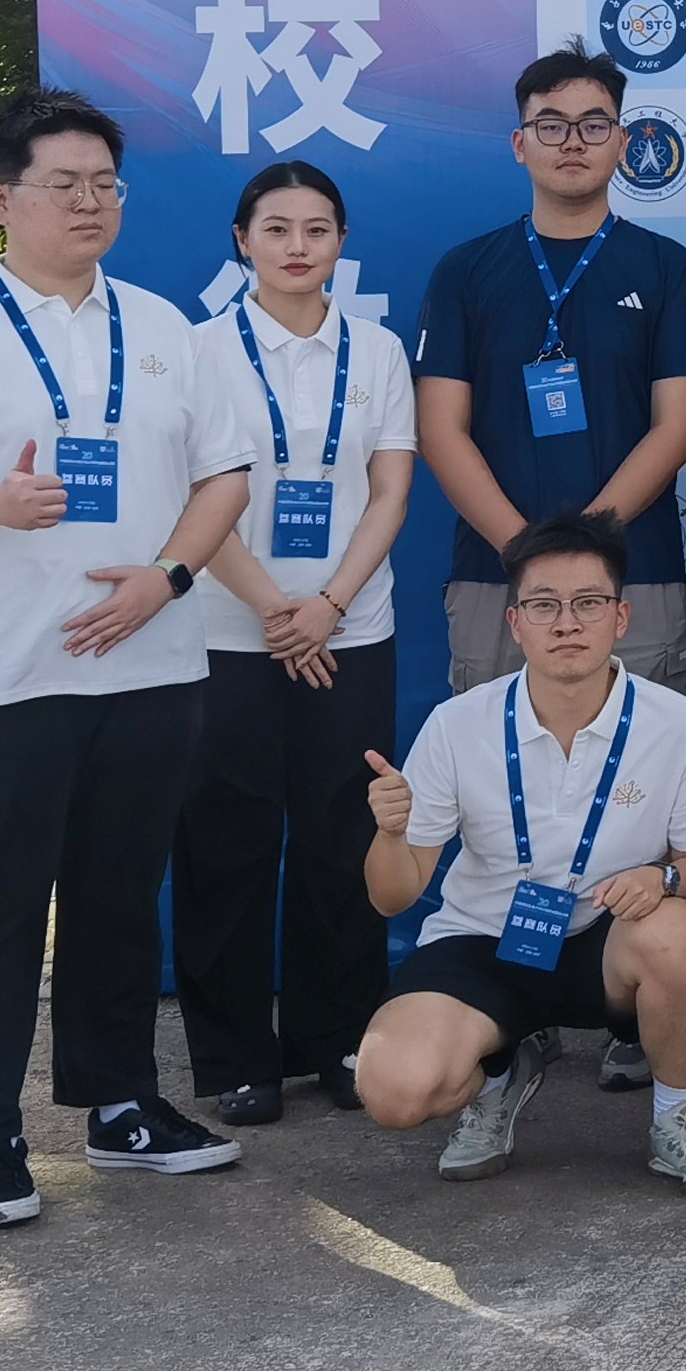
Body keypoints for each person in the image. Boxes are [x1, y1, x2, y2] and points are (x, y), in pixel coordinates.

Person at [0, 88, 259, 1230]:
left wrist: (166, 578)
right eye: (63, 184)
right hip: (2, 677)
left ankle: (121, 1105)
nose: (90, 203)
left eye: (105, 184)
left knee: (119, 899)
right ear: (1, 199)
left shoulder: (166, 326)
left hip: (151, 665)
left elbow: (225, 476)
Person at [352, 512, 686, 1200]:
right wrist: (390, 835)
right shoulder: (458, 723)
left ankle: (678, 1120)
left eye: (588, 603)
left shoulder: (677, 723)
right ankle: (502, 1068)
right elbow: (392, 897)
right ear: (515, 623)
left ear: (621, 617)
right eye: (544, 605)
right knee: (393, 1091)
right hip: (486, 942)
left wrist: (661, 877)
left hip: (605, 946)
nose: (567, 623)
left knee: (677, 929)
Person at [176, 161, 418, 1126]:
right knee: (225, 844)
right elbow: (197, 495)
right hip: (226, 632)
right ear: (242, 240)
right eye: (275, 228)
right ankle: (235, 1057)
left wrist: (328, 603)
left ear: (341, 242)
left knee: (342, 837)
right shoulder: (197, 351)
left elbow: (391, 491)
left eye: (317, 229)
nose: (296, 247)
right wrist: (278, 610)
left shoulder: (379, 352)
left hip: (350, 627)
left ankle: (338, 1039)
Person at [413, 48, 686, 696]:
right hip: (497, 572)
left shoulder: (669, 268)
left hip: (633, 571)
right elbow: (439, 430)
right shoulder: (464, 271)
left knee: (639, 752)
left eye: (594, 125)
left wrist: (585, 550)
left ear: (623, 143)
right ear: (520, 144)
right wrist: (526, 551)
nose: (573, 142)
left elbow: (677, 429)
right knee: (495, 752)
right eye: (551, 125)